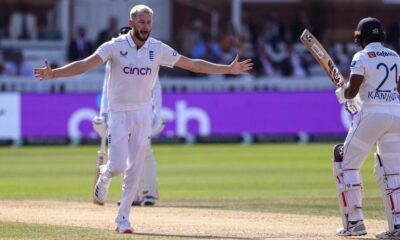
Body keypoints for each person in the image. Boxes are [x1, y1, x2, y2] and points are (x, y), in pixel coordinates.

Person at [34, 4, 253, 234]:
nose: (145, 26)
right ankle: (106, 173)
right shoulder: (115, 46)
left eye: (148, 22)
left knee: (135, 169)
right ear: (131, 23)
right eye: (141, 22)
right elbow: (85, 65)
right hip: (119, 113)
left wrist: (227, 69)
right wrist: (54, 73)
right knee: (118, 166)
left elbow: (192, 64)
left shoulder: (157, 49)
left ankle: (123, 220)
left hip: (142, 113)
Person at [333, 17, 400, 239]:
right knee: (392, 172)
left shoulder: (361, 56)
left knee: (345, 163)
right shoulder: (395, 56)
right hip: (396, 115)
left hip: (372, 116)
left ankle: (354, 223)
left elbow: (351, 91)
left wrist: (344, 96)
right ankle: (397, 226)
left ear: (360, 38)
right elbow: (396, 89)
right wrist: (362, 99)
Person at [93, 26, 161, 207]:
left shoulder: (147, 55)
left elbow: (156, 88)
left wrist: (157, 113)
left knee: (142, 153)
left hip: (142, 112)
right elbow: (107, 89)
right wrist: (103, 114)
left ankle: (148, 192)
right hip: (119, 113)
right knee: (121, 159)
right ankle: (134, 194)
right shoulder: (114, 58)